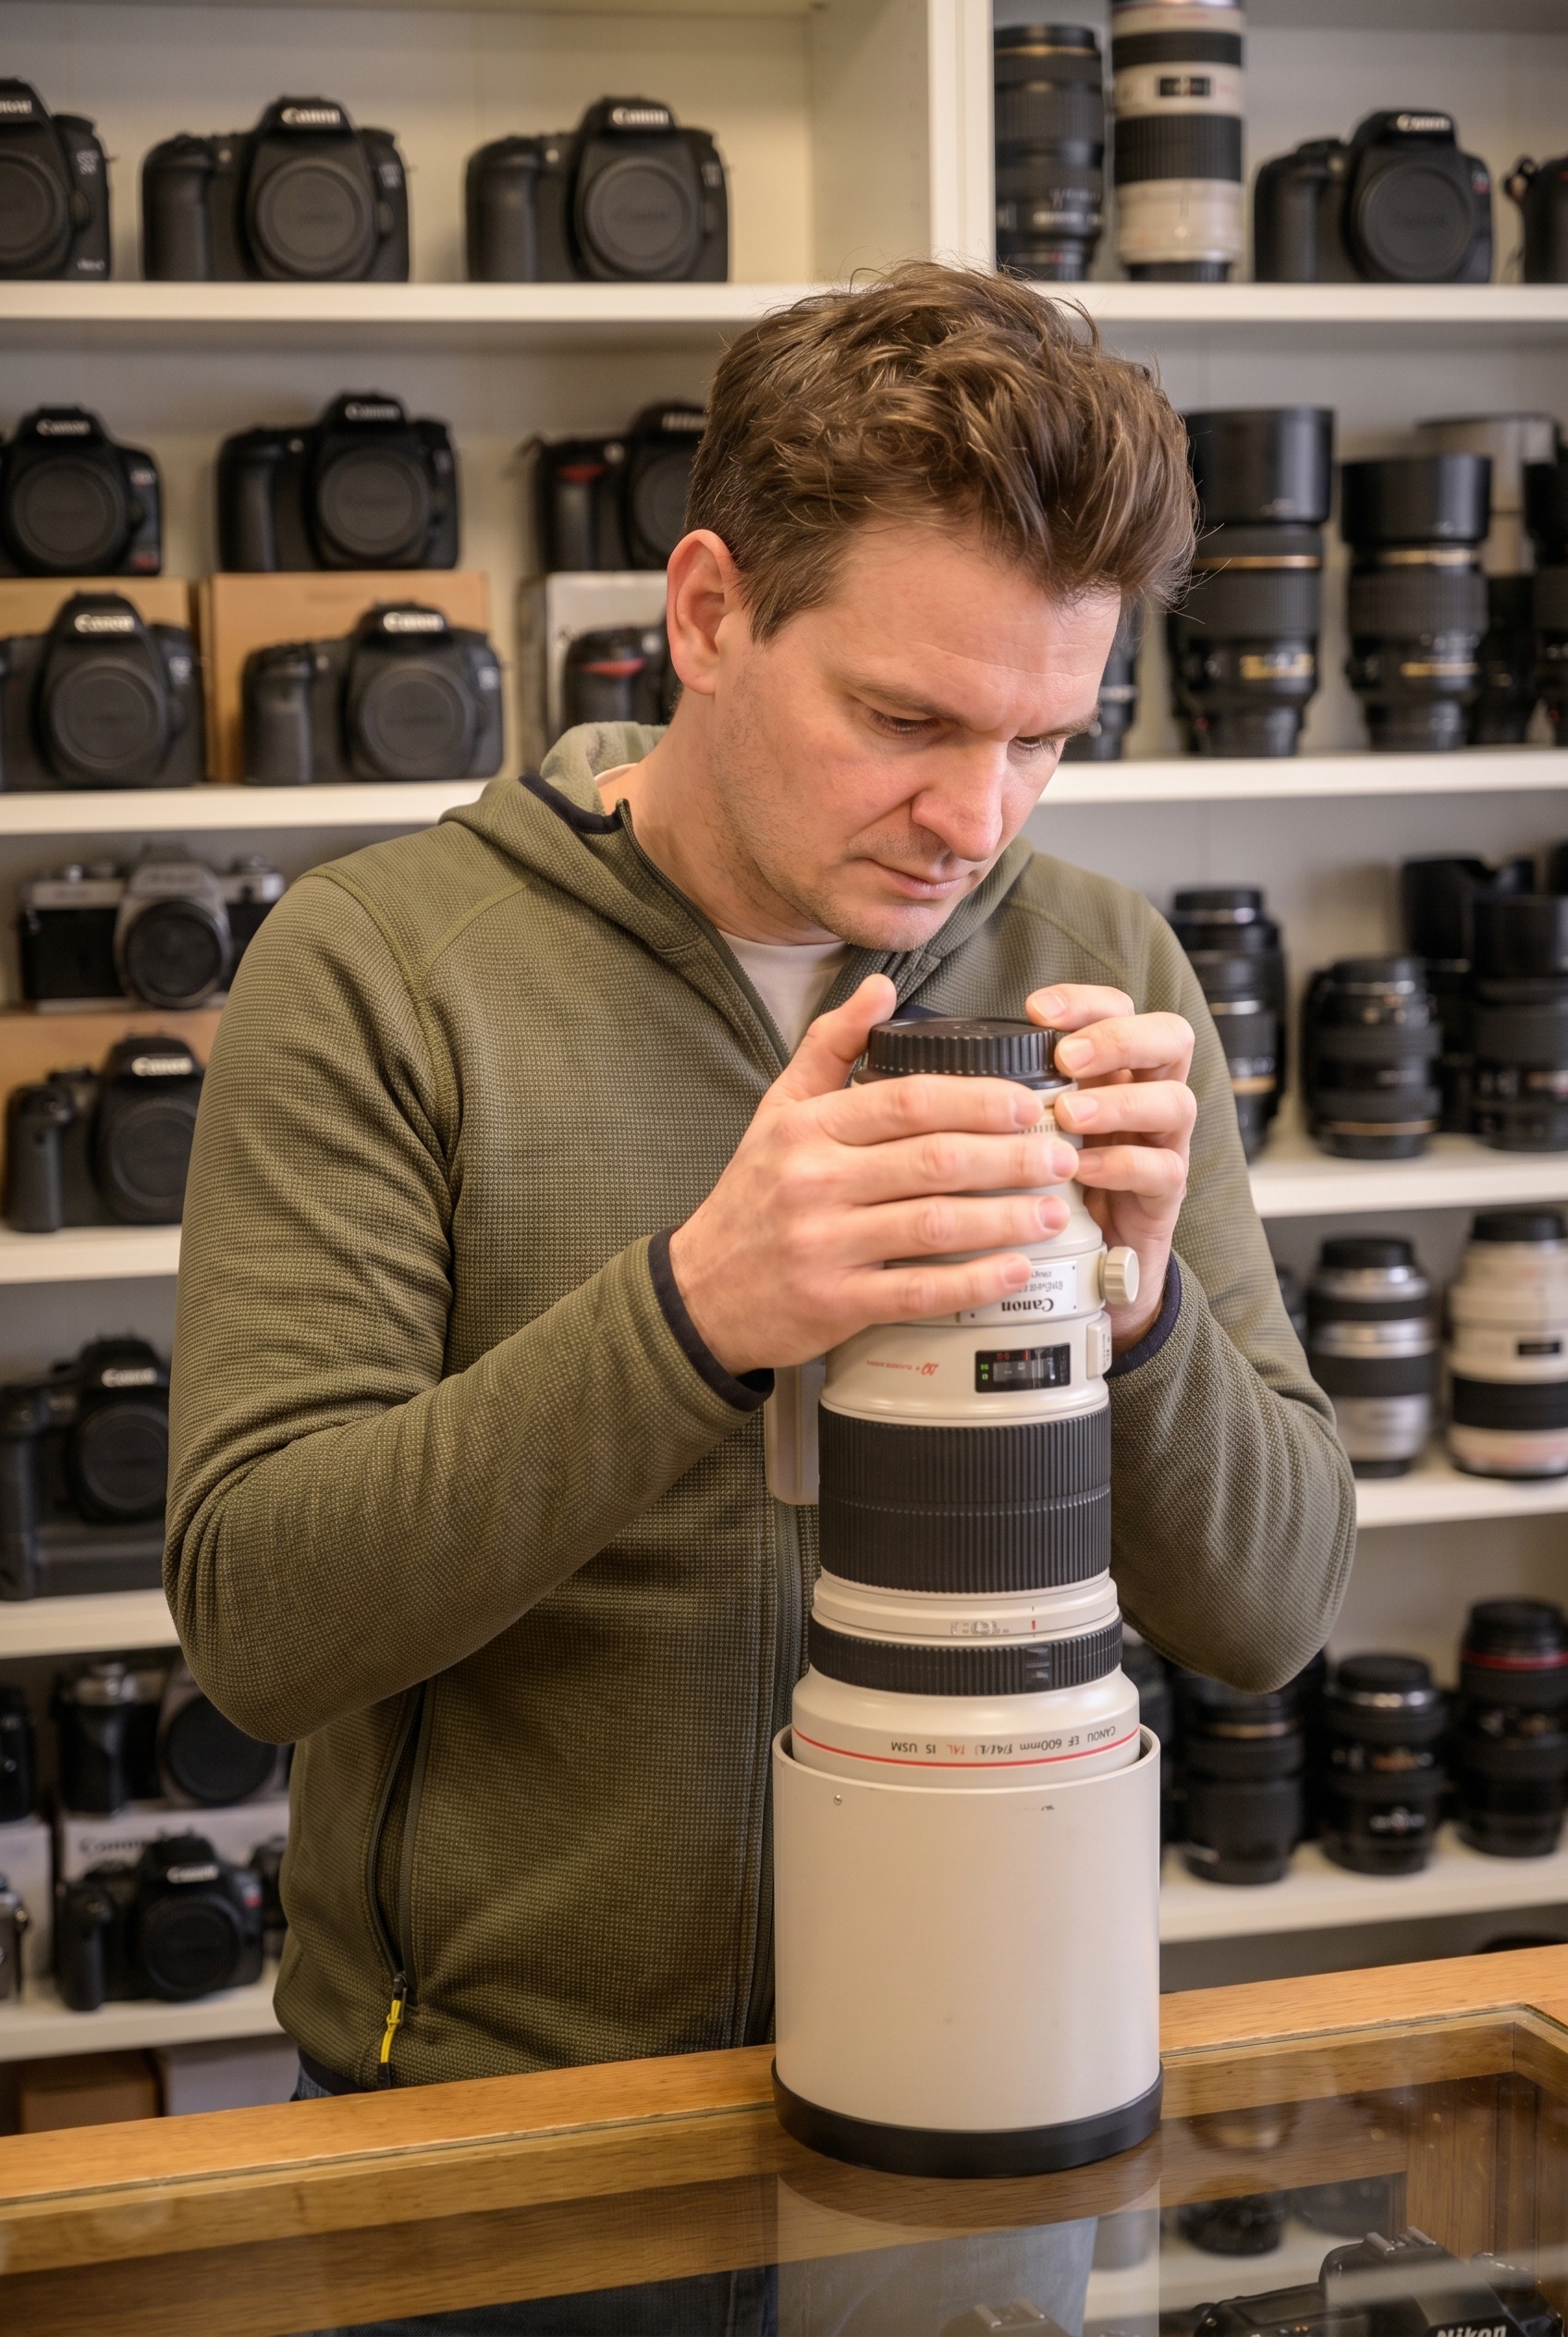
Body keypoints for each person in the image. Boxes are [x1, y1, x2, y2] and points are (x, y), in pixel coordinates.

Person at [166, 265, 1355, 2132]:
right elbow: (259, 1624)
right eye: (904, 717)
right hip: (507, 2117)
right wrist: (697, 1312)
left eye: (1043, 738)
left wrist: (1134, 1316)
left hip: (993, 2044)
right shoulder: (385, 964)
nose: (977, 818)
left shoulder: (1097, 956)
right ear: (709, 612)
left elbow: (1271, 1603)